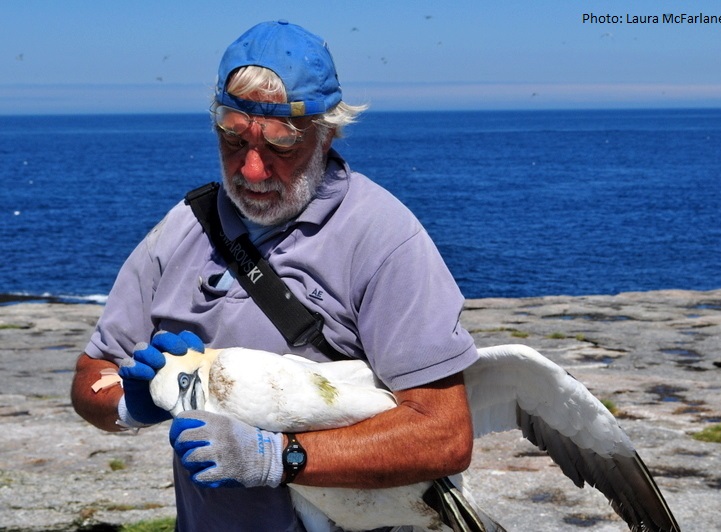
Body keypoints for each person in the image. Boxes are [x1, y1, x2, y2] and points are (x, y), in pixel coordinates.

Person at [71, 20, 477, 531]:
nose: (253, 169)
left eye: (282, 146)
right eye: (234, 139)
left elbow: (443, 435)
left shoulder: (383, 237)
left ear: (328, 133)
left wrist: (281, 459)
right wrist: (132, 407)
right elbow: (93, 374)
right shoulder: (183, 228)